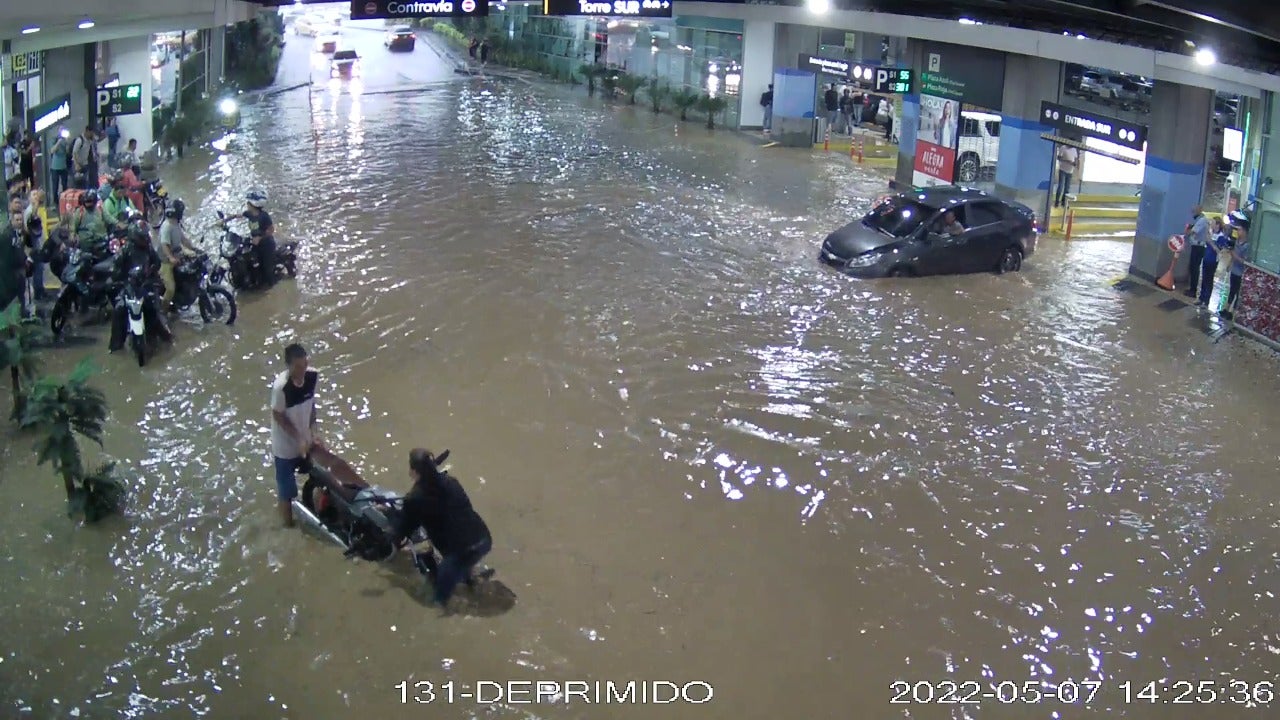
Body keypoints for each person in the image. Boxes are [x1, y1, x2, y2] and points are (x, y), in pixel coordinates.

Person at [390, 448, 493, 609]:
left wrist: (391, 539)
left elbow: (404, 529)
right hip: (483, 539)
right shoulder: (452, 482)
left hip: (460, 552)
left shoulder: (414, 499)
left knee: (439, 597)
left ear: (414, 471)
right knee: (465, 560)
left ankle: (443, 606)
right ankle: (470, 580)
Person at [270, 343, 320, 527]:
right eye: (298, 367)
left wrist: (314, 432)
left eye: (305, 365)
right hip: (284, 448)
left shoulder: (313, 376)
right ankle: (287, 526)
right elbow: (278, 416)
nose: (302, 370)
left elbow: (311, 405)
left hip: (306, 442)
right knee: (287, 492)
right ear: (288, 365)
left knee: (320, 477)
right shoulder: (281, 388)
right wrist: (298, 438)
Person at [108, 224, 172, 352]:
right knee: (119, 310)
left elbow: (157, 263)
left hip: (147, 284)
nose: (145, 240)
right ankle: (116, 346)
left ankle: (164, 337)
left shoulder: (148, 248)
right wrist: (118, 276)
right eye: (142, 238)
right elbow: (115, 267)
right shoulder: (125, 250)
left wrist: (151, 272)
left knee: (155, 310)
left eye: (145, 237)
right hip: (130, 286)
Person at [158, 199, 198, 308]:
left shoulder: (175, 223)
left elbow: (183, 239)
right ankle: (163, 310)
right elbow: (164, 245)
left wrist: (194, 248)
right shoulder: (167, 226)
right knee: (170, 288)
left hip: (177, 254)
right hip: (166, 261)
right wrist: (170, 258)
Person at [241, 189, 276, 288]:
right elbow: (237, 216)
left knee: (267, 269)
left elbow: (271, 230)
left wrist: (260, 238)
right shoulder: (249, 214)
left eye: (249, 203)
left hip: (267, 245)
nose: (247, 204)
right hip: (255, 245)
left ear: (254, 205)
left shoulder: (264, 216)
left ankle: (272, 288)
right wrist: (224, 220)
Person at [1223, 212, 1251, 319]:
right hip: (1234, 271)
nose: (1237, 232)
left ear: (1244, 231)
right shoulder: (1237, 241)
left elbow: (1245, 261)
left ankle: (1233, 312)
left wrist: (1235, 256)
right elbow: (1233, 253)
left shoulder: (1247, 245)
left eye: (1239, 230)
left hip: (1241, 273)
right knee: (1231, 290)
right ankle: (1226, 309)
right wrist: (1230, 263)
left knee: (1238, 293)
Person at [68, 190, 111, 259]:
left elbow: (109, 219)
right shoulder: (79, 212)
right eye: (86, 202)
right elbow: (73, 227)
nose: (88, 204)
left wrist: (118, 223)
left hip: (101, 240)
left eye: (90, 202)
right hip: (85, 243)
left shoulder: (100, 209)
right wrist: (72, 235)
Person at [1196, 216, 1228, 309]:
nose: (1211, 225)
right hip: (1206, 258)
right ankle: (1201, 298)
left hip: (1213, 260)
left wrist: (1210, 241)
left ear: (1217, 225)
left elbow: (1218, 250)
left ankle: (1206, 301)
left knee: (1209, 280)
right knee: (1204, 278)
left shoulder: (1221, 237)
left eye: (1213, 223)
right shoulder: (1211, 233)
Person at [1183, 205, 1211, 299]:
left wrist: (1187, 231)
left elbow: (1193, 232)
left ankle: (1193, 290)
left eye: (1194, 211)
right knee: (1193, 267)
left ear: (1199, 211)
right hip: (1197, 246)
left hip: (1198, 247)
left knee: (1194, 268)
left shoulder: (1202, 220)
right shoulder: (1201, 220)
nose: (1193, 213)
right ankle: (1192, 288)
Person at [49, 130, 71, 198]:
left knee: (65, 184)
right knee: (55, 186)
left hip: (63, 166)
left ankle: (64, 198)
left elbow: (67, 152)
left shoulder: (65, 141)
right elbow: (52, 151)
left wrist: (67, 143)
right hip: (55, 167)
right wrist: (59, 142)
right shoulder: (54, 140)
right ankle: (55, 200)